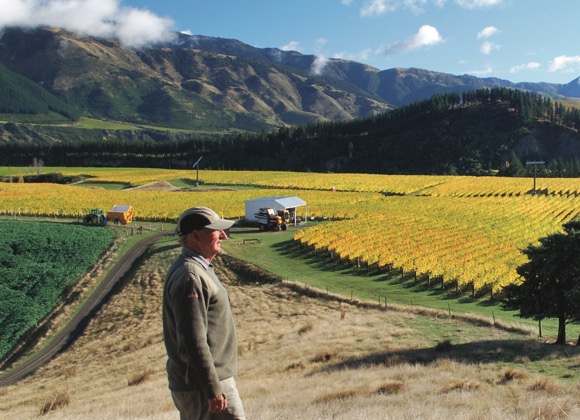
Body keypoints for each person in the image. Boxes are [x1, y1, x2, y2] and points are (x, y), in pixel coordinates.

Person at [163, 206, 245, 420]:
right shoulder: (191, 277)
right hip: (203, 385)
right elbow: (193, 340)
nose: (224, 235)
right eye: (216, 230)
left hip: (205, 382)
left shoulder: (197, 269)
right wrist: (212, 388)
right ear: (195, 236)